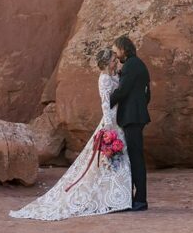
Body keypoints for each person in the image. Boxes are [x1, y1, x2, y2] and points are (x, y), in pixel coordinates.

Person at [9, 49, 132, 220]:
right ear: (105, 63)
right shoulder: (103, 79)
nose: (115, 62)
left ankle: (116, 196)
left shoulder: (112, 75)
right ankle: (111, 196)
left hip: (118, 120)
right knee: (108, 158)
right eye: (112, 60)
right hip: (111, 122)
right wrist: (109, 126)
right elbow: (105, 102)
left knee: (115, 159)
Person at [109, 35, 151, 212]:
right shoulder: (137, 64)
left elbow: (123, 91)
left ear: (123, 49)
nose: (115, 55)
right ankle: (137, 197)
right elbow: (147, 94)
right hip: (136, 116)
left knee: (136, 158)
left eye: (115, 51)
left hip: (132, 118)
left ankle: (140, 200)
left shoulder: (131, 65)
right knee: (135, 157)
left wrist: (106, 102)